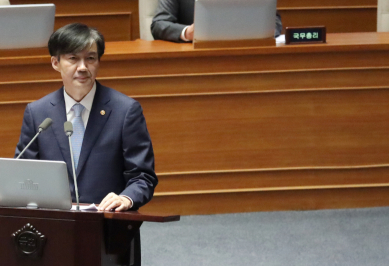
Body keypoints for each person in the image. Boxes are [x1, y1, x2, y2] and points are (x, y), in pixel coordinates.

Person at [15, 23, 157, 212]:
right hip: (53, 223)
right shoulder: (38, 113)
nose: (82, 67)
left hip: (107, 222)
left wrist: (126, 198)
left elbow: (143, 176)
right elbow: (22, 174)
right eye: (73, 58)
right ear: (55, 63)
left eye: (90, 58)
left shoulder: (125, 111)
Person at [151, 0, 283, 42]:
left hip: (245, 58)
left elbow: (274, 21)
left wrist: (261, 32)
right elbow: (159, 24)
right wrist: (187, 32)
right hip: (194, 61)